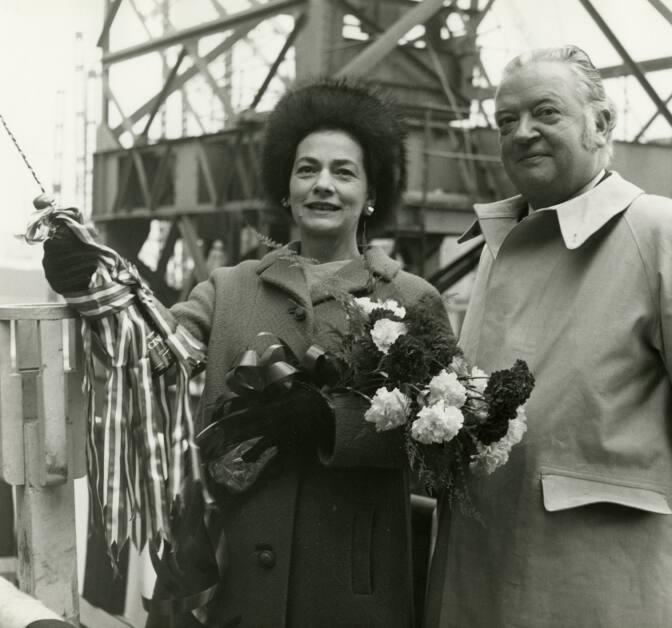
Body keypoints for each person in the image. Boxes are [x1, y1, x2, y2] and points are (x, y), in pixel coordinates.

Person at [42, 78, 453, 627]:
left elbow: (443, 439)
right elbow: (151, 355)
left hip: (354, 593)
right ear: (285, 189)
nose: (322, 185)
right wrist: (90, 285)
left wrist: (332, 423)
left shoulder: (412, 298)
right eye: (306, 169)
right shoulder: (227, 288)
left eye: (343, 171)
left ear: (371, 192)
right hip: (230, 583)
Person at [424, 46, 672, 628]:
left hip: (600, 591)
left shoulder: (662, 233)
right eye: (506, 121)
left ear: (603, 123)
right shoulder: (497, 244)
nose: (523, 133)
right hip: (478, 576)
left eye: (546, 112)